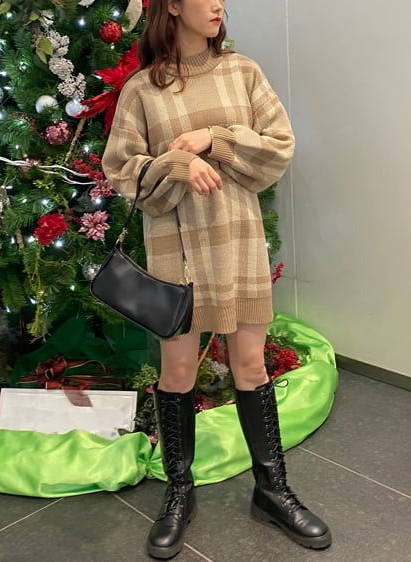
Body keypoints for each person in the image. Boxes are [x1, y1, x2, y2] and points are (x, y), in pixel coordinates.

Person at [102, 0, 332, 558]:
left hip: (238, 240)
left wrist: (214, 138)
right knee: (178, 371)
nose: (218, 5)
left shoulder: (242, 71)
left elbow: (279, 147)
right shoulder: (142, 89)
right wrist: (176, 164)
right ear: (172, 5)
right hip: (174, 248)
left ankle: (272, 490)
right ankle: (179, 492)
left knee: (251, 366)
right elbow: (122, 171)